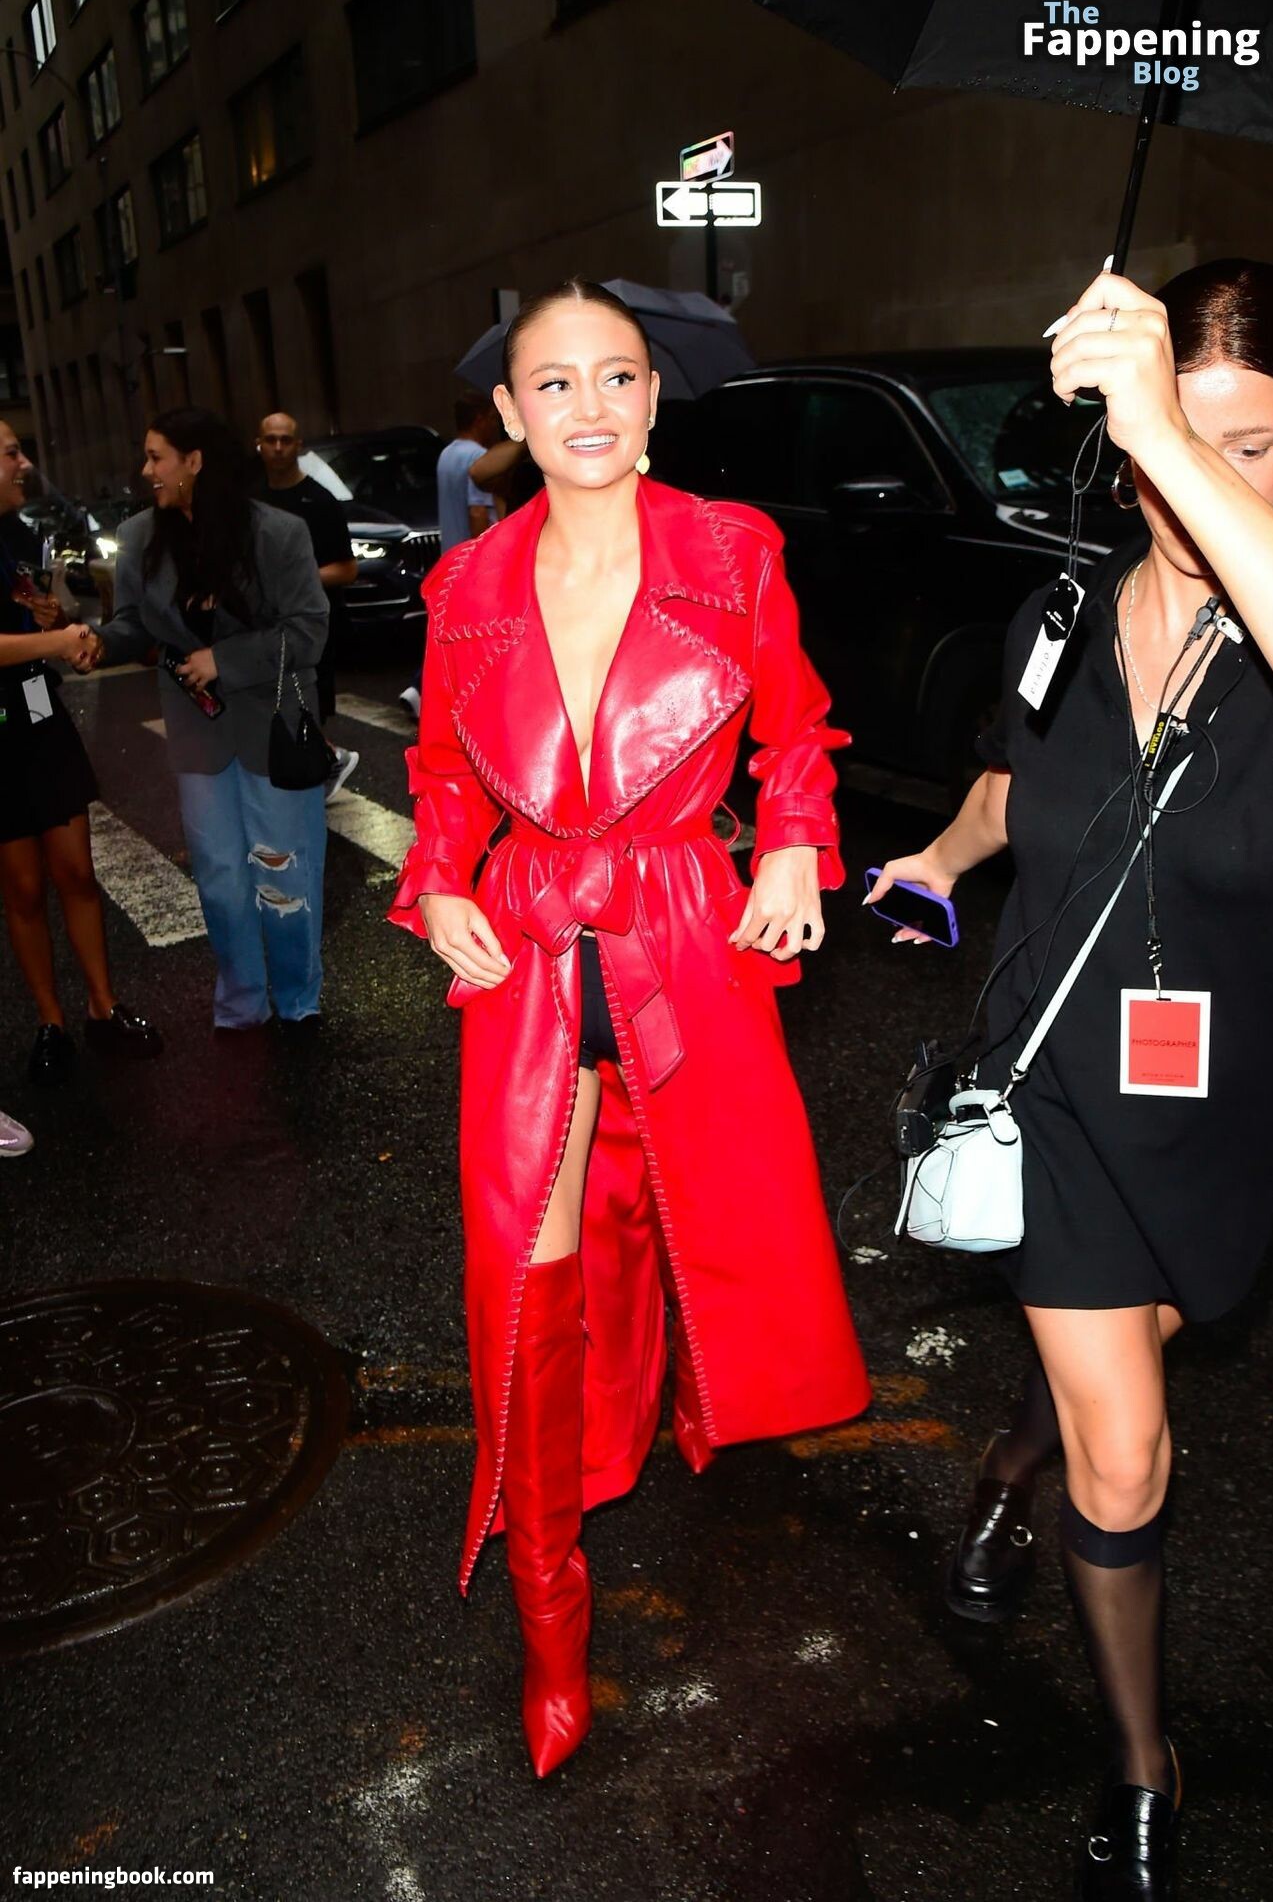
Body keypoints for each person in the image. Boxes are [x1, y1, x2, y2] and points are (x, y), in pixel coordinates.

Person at [389, 279, 870, 1776]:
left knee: (687, 1217)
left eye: (616, 376)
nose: (587, 406)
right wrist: (434, 879)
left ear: (655, 398)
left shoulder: (733, 550)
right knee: (523, 1279)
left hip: (682, 933)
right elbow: (442, 770)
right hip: (530, 944)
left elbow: (797, 728)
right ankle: (550, 1615)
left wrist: (790, 842)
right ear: (509, 414)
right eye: (554, 384)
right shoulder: (466, 587)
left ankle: (687, 1400)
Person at [872, 259, 1273, 1900]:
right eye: (1174, 436)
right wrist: (935, 857)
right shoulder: (1058, 613)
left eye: (1249, 444)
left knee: (1121, 1363)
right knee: (1126, 1449)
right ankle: (1137, 1761)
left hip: (1233, 1097)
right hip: (1056, 1091)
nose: (1199, 478)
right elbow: (1007, 783)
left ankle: (998, 1468)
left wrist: (1170, 434)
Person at [87, 407, 330, 1033]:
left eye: (156, 457)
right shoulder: (141, 536)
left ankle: (297, 999)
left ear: (194, 462)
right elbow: (134, 623)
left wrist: (225, 659)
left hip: (274, 728)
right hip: (197, 732)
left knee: (285, 870)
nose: (147, 470)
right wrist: (96, 644)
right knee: (220, 878)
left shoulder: (277, 533)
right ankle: (242, 1002)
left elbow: (309, 630)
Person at [0, 420, 162, 1085]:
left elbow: (43, 614)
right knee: (21, 885)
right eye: (11, 453)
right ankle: (50, 1022)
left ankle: (102, 1005)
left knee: (75, 868)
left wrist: (61, 624)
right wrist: (60, 641)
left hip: (38, 705)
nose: (25, 464)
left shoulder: (20, 533)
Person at [256, 411, 360, 800]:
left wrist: (298, 579)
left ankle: (324, 763)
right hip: (265, 625)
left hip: (312, 625)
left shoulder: (320, 501)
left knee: (306, 705)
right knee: (277, 704)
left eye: (286, 440)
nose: (278, 448)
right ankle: (321, 763)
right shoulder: (252, 498)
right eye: (270, 440)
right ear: (259, 444)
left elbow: (347, 569)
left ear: (299, 446)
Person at [397, 394, 521, 720]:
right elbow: (478, 511)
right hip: (473, 561)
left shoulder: (446, 455)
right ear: (480, 418)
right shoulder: (478, 457)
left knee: (452, 634)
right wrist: (486, 557)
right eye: (492, 418)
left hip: (449, 558)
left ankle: (423, 689)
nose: (495, 424)